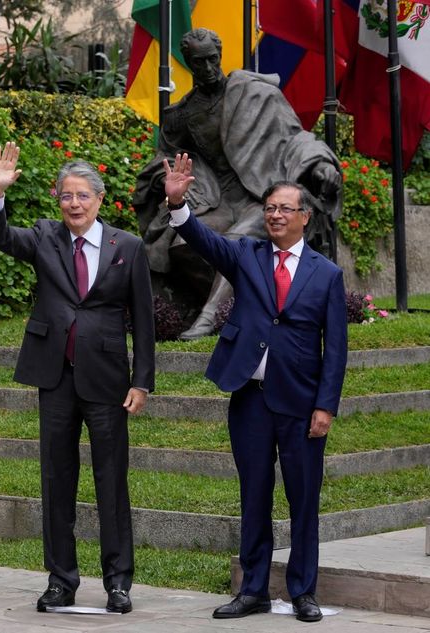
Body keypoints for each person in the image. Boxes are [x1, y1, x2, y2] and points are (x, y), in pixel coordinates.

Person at [164, 153, 347, 623]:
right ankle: (254, 590)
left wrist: (325, 406)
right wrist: (178, 204)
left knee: (303, 500)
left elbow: (336, 349)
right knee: (255, 495)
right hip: (250, 398)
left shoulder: (325, 274)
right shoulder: (247, 255)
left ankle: (304, 591)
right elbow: (202, 240)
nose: (275, 215)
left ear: (304, 217)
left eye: (285, 209)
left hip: (302, 403)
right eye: (269, 208)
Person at [0, 142, 155, 614]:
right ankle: (61, 580)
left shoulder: (129, 247)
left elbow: (143, 319)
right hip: (54, 376)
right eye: (66, 196)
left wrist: (141, 382)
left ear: (100, 200)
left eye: (82, 196)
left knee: (110, 482)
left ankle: (118, 582)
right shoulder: (43, 237)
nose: (73, 204)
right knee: (57, 480)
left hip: (108, 381)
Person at [133, 27, 342, 340]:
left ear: (220, 56)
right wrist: (167, 177)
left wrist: (321, 164)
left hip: (263, 197)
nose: (207, 68)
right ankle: (253, 299)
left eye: (212, 59)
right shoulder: (182, 115)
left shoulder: (255, 92)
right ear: (188, 63)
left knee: (235, 243)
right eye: (198, 62)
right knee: (180, 246)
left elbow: (295, 137)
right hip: (218, 198)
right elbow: (164, 157)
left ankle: (209, 317)